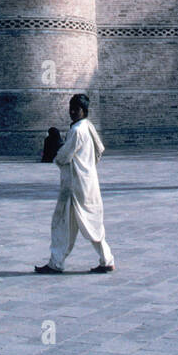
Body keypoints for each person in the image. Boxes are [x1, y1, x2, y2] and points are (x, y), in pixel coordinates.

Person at [35, 93, 115, 274]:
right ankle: (107, 260)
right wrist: (88, 165)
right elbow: (99, 150)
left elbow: (64, 156)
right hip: (88, 183)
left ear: (84, 111)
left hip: (74, 186)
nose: (72, 112)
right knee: (92, 223)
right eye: (71, 108)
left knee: (61, 224)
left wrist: (57, 157)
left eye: (76, 109)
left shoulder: (77, 130)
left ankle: (56, 263)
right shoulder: (89, 127)